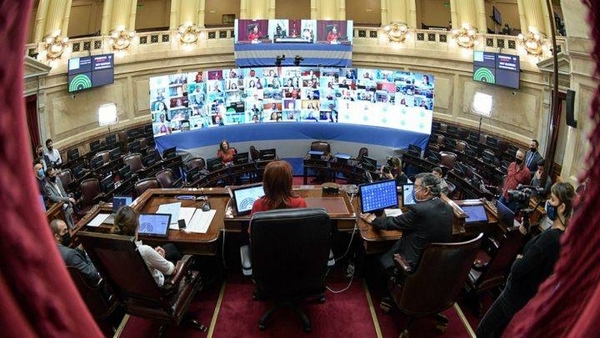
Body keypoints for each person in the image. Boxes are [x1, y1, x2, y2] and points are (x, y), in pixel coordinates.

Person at [476, 182, 576, 337]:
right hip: (524, 294)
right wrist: (527, 234)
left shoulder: (550, 237)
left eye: (553, 199)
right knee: (496, 332)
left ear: (562, 207)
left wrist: (518, 259)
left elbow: (518, 268)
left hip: (514, 293)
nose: (549, 202)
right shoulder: (560, 234)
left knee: (483, 331)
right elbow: (537, 255)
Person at [360, 172, 453, 312]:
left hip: (413, 264)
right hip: (438, 264)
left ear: (426, 190)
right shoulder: (447, 207)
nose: (413, 189)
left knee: (379, 257)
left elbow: (392, 223)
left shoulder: (419, 210)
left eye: (415, 186)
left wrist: (372, 219)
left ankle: (389, 289)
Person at [111, 206, 182, 287]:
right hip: (156, 288)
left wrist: (155, 256)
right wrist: (161, 258)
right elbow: (172, 271)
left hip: (132, 286)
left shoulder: (111, 247)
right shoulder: (144, 250)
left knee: (170, 247)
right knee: (174, 258)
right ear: (137, 226)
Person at [50, 219, 100, 284]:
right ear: (57, 236)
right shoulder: (70, 254)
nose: (68, 232)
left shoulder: (52, 252)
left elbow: (69, 257)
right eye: (64, 231)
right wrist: (88, 255)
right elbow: (94, 276)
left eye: (67, 229)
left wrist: (79, 249)